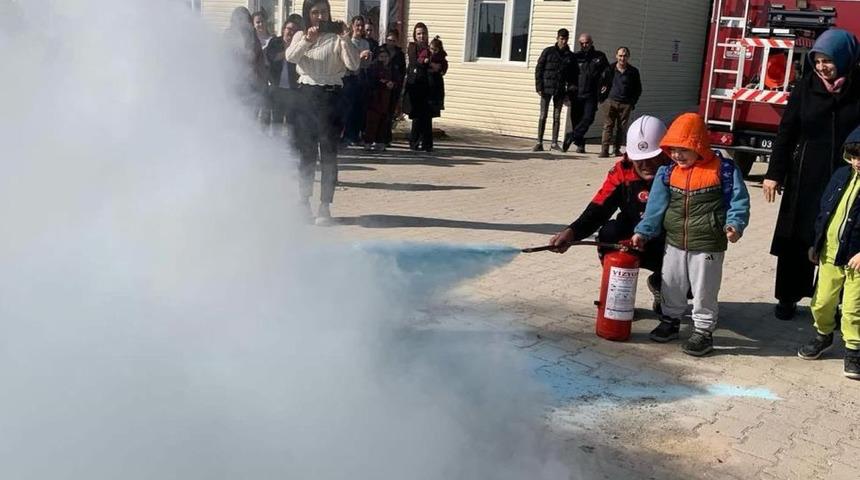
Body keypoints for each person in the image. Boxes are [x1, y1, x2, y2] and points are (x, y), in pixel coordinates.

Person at [631, 113, 750, 356]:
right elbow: (655, 207)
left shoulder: (723, 170)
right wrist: (643, 231)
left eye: (683, 149)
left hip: (708, 244)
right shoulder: (667, 173)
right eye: (673, 149)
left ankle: (703, 332)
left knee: (705, 289)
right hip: (674, 242)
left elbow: (739, 200)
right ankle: (671, 321)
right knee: (671, 284)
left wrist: (735, 225)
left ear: (698, 146)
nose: (677, 155)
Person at [762, 29, 860, 320]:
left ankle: (837, 299)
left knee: (843, 233)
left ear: (845, 58)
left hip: (847, 174)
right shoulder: (806, 86)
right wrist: (773, 173)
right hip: (807, 173)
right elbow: (786, 132)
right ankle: (788, 297)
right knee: (798, 235)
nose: (821, 67)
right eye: (817, 61)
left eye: (827, 61)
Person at [549, 116, 670, 314]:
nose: (646, 164)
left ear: (665, 153)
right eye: (640, 159)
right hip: (633, 241)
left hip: (669, 243)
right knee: (610, 232)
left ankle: (661, 284)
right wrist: (571, 232)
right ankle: (618, 298)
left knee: (690, 281)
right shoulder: (622, 172)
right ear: (630, 157)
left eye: (652, 157)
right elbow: (598, 208)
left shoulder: (680, 172)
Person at [285, 0, 361, 225]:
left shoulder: (337, 37)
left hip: (331, 98)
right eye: (315, 12)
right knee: (306, 153)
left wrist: (346, 38)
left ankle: (324, 205)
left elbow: (353, 65)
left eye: (323, 12)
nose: (319, 16)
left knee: (328, 153)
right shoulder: (301, 35)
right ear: (308, 14)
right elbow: (291, 57)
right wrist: (308, 40)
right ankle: (303, 202)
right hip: (307, 96)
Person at [798, 126, 860, 380]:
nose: (858, 161)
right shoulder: (841, 175)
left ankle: (854, 350)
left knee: (853, 307)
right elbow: (825, 211)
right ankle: (823, 335)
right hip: (830, 251)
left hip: (857, 258)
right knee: (822, 301)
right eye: (854, 155)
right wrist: (817, 241)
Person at [533, 28, 579, 152]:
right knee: (543, 115)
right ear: (557, 38)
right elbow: (539, 69)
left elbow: (573, 77)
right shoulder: (548, 52)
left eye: (565, 39)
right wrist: (539, 86)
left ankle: (554, 142)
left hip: (560, 90)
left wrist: (569, 93)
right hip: (546, 89)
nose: (563, 41)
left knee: (557, 117)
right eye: (561, 38)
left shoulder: (570, 56)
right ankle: (539, 142)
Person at [563, 33, 609, 154]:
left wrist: (604, 87)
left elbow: (607, 74)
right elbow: (568, 75)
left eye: (586, 42)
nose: (584, 45)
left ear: (591, 42)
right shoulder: (575, 57)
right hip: (576, 94)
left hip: (591, 94)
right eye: (582, 43)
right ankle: (580, 144)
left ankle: (571, 136)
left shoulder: (600, 57)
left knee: (588, 118)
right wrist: (567, 92)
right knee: (576, 121)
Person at [264, 14, 303, 142]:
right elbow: (273, 57)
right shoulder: (275, 42)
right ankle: (276, 146)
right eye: (289, 29)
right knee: (276, 119)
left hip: (293, 88)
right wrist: (288, 52)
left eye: (294, 30)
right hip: (277, 87)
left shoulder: (299, 45)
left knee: (292, 119)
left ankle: (292, 146)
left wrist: (293, 49)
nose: (290, 32)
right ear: (283, 29)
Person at [406, 22, 444, 152]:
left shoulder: (433, 47)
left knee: (427, 116)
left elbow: (442, 62)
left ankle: (427, 144)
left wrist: (440, 67)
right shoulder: (412, 47)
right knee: (417, 116)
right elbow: (415, 62)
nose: (422, 36)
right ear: (415, 36)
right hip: (416, 85)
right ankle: (414, 142)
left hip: (430, 86)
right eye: (419, 33)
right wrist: (429, 65)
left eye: (424, 33)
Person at [599, 46, 642, 158]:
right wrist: (602, 99)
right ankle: (604, 150)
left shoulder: (633, 72)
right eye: (620, 56)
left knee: (621, 128)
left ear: (628, 57)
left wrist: (632, 103)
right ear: (616, 56)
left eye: (625, 56)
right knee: (608, 126)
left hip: (625, 104)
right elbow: (601, 84)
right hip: (610, 102)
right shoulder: (609, 69)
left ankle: (616, 149)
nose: (622, 58)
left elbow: (638, 89)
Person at [225, 6, 267, 115]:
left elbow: (257, 59)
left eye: (245, 19)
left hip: (252, 83)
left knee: (251, 116)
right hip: (234, 83)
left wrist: (262, 81)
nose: (242, 22)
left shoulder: (253, 36)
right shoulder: (228, 35)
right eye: (239, 19)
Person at [341, 16, 372, 145]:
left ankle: (355, 135)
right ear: (352, 26)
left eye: (361, 25)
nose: (359, 28)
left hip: (361, 77)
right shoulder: (348, 41)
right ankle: (346, 135)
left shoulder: (365, 43)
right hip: (349, 78)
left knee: (360, 108)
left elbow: (367, 65)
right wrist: (358, 57)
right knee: (349, 107)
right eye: (357, 25)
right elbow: (346, 62)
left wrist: (367, 58)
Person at [363, 48, 397, 151]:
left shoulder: (392, 68)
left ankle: (380, 142)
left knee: (384, 121)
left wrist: (393, 84)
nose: (384, 59)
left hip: (387, 98)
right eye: (381, 57)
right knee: (372, 121)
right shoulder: (373, 67)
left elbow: (397, 79)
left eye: (386, 57)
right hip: (375, 98)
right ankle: (368, 142)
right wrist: (383, 83)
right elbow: (372, 81)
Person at [380, 29, 406, 146]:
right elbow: (376, 68)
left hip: (394, 87)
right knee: (381, 112)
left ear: (397, 41)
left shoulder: (400, 54)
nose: (391, 42)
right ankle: (378, 137)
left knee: (390, 113)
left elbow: (402, 72)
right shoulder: (380, 50)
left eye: (393, 41)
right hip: (381, 87)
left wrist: (396, 84)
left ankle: (387, 138)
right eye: (389, 40)